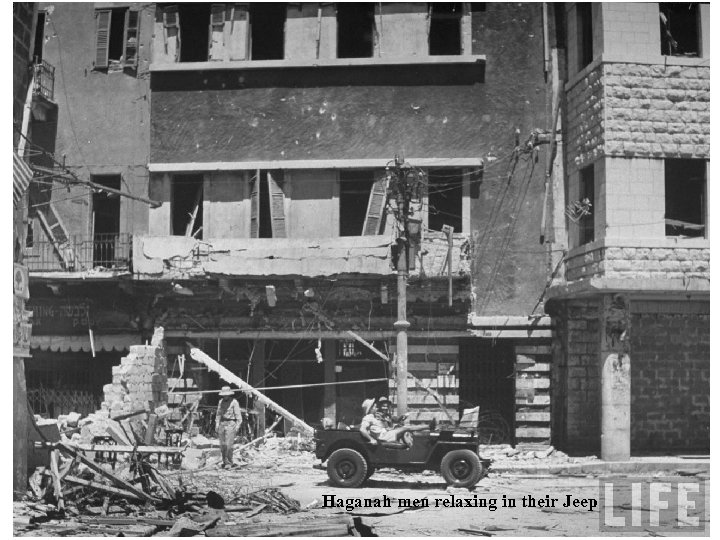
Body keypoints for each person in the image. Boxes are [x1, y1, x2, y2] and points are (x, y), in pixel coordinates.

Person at [359, 396, 424, 445]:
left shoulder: (377, 416)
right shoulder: (369, 417)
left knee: (405, 429)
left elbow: (396, 419)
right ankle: (428, 426)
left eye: (387, 406)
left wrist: (402, 418)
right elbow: (362, 429)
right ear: (370, 409)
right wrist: (371, 439)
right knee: (406, 428)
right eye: (373, 406)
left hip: (386, 434)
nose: (375, 406)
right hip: (384, 436)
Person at [215, 386, 242, 468]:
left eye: (226, 395)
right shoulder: (220, 402)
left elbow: (238, 416)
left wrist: (237, 425)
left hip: (231, 423)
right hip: (222, 423)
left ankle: (229, 462)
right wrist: (217, 424)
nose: (225, 396)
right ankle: (225, 461)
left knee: (228, 444)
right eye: (224, 395)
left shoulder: (234, 402)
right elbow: (218, 414)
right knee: (222, 444)